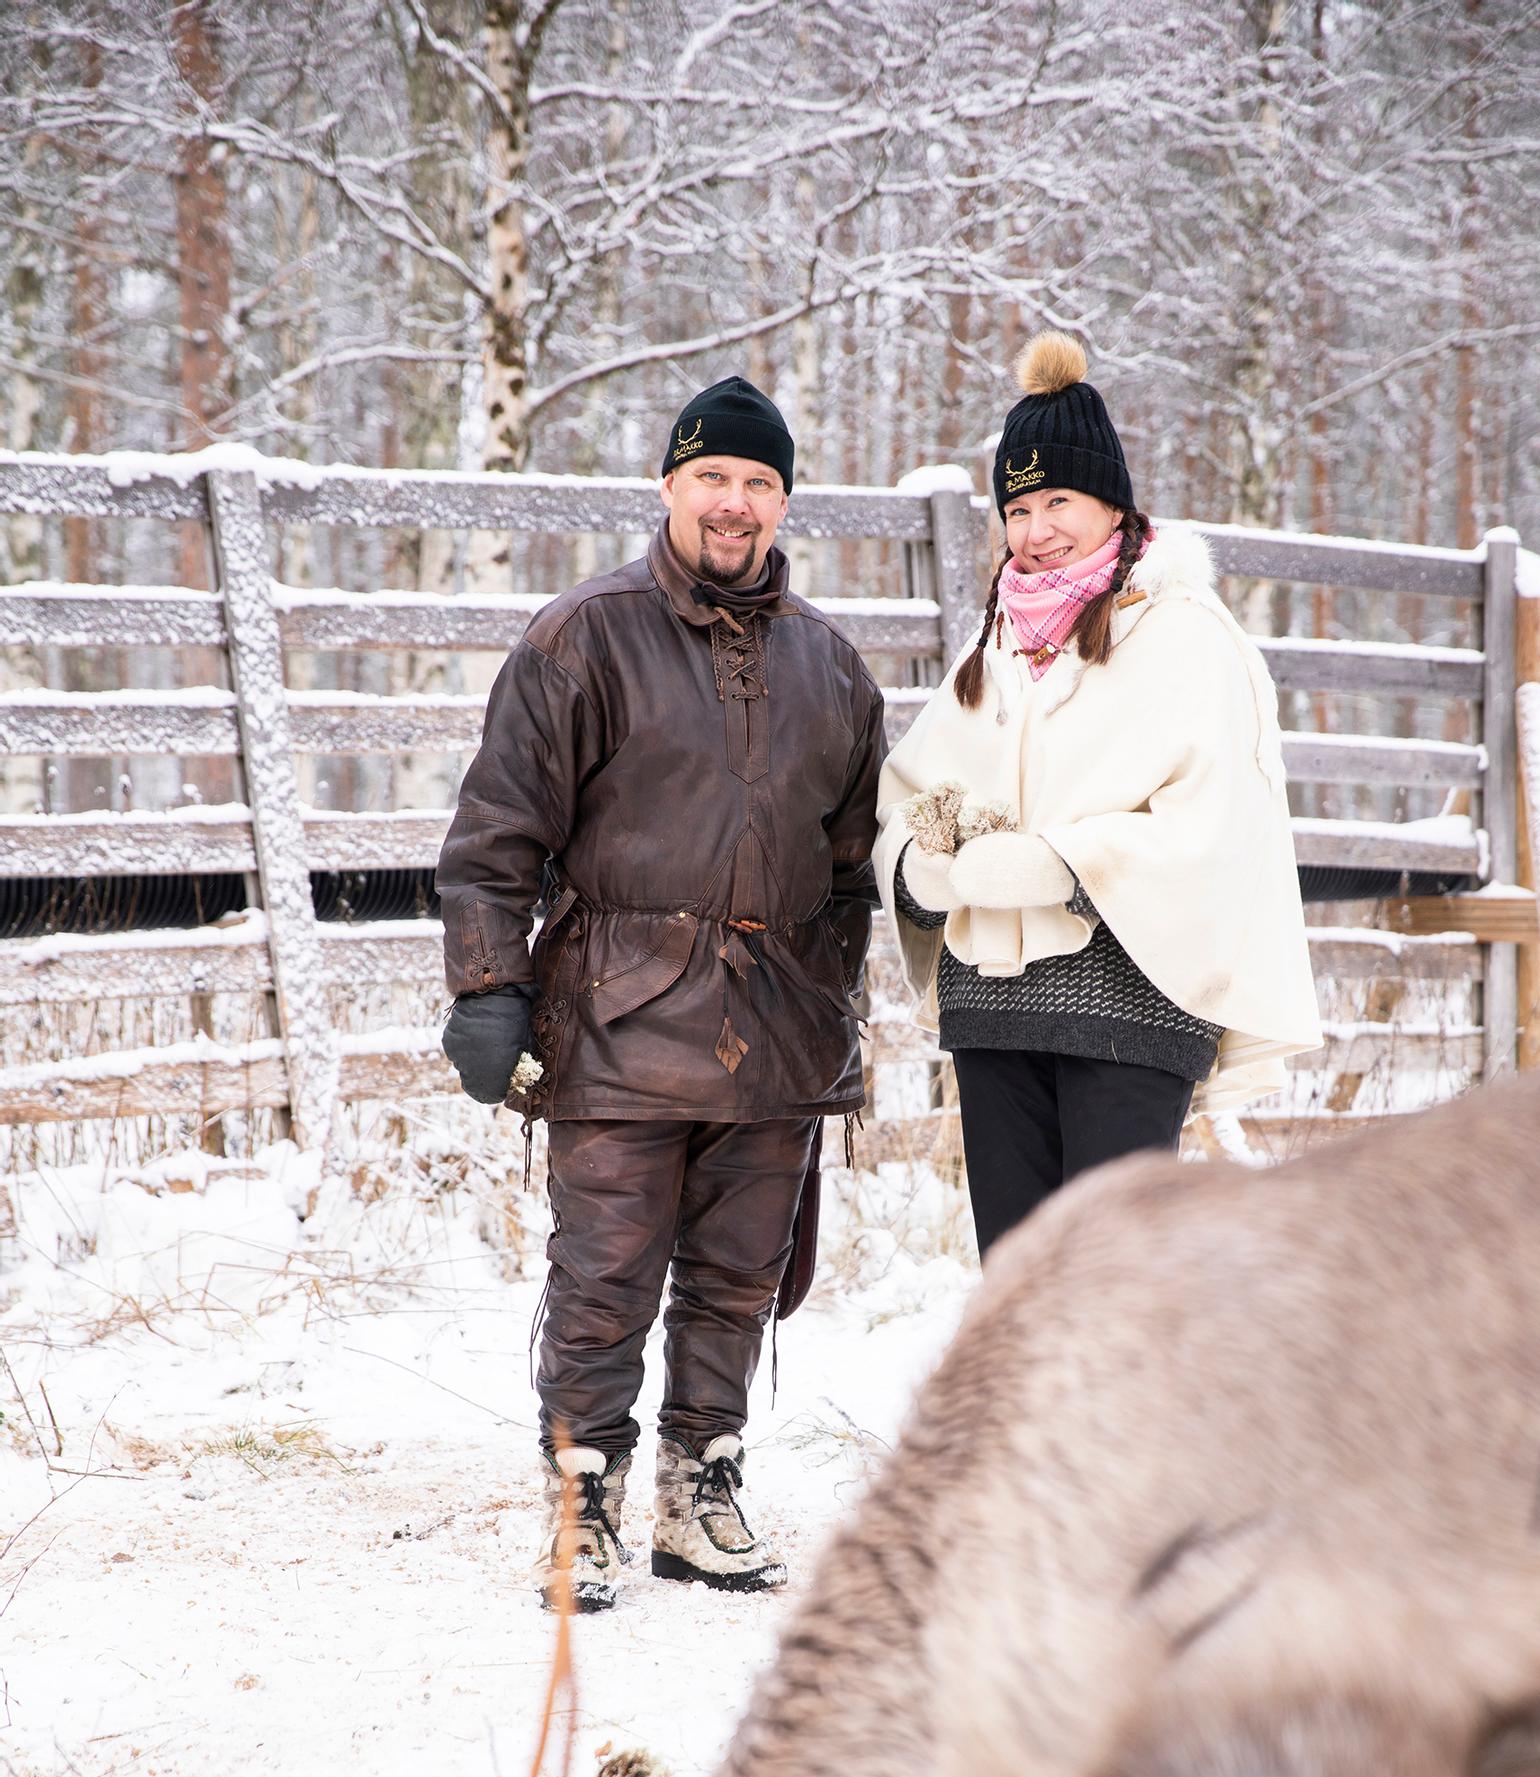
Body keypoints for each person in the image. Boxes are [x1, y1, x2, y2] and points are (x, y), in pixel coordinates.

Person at [438, 374, 883, 1611]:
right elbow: (494, 835)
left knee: (742, 1276)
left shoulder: (836, 672)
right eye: (712, 478)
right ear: (671, 487)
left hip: (779, 1036)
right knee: (607, 1272)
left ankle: (701, 1485)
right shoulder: (585, 635)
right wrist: (490, 987)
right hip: (621, 1016)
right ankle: (585, 1500)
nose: (733, 504)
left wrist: (825, 1003)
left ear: (784, 500)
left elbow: (853, 872)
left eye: (758, 483)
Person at [873, 333, 1322, 1257]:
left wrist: (1060, 864)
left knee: (1112, 1276)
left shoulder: (1188, 638)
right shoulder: (990, 648)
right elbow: (907, 793)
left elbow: (1216, 823)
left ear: (1110, 500)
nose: (1035, 532)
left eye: (1058, 502)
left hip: (1129, 1002)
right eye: (1018, 507)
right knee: (1018, 1276)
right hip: (994, 1003)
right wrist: (923, 869)